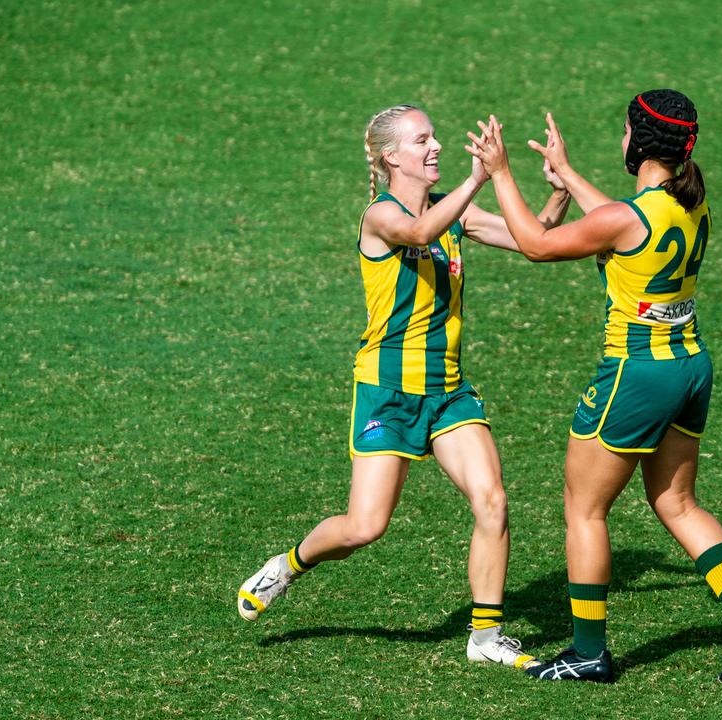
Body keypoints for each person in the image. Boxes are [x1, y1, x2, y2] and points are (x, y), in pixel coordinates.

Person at [237, 104, 571, 670]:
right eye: (423, 140)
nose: (436, 146)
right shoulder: (380, 217)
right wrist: (477, 177)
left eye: (435, 137)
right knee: (365, 526)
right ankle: (289, 565)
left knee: (492, 501)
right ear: (392, 157)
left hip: (447, 391)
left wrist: (558, 192)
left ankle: (485, 636)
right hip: (387, 392)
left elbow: (533, 240)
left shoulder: (453, 214)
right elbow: (418, 232)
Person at [467, 90, 722, 683]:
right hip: (690, 365)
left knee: (585, 510)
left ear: (639, 143)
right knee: (677, 502)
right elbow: (623, 219)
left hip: (635, 374)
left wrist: (503, 173)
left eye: (625, 131)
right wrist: (568, 176)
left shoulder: (625, 218)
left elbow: (538, 245)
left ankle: (589, 653)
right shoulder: (688, 200)